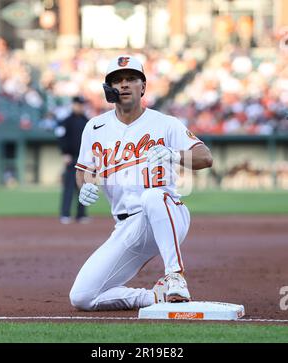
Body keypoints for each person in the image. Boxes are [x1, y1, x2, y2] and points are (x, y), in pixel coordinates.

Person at [69, 55, 213, 311]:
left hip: (167, 213)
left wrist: (173, 154)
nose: (124, 85)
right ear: (109, 89)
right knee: (82, 297)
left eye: (131, 79)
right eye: (117, 80)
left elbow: (205, 157)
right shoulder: (95, 127)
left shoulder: (165, 123)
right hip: (126, 227)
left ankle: (175, 276)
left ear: (143, 87)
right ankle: (154, 297)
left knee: (152, 196)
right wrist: (87, 184)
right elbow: (84, 172)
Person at [56, 96, 90, 224]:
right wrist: (64, 153)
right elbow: (61, 138)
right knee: (69, 187)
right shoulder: (66, 121)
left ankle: (81, 214)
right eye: (79, 104)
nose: (81, 107)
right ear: (73, 105)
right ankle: (65, 214)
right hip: (71, 157)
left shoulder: (87, 121)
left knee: (84, 187)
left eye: (82, 105)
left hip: (85, 159)